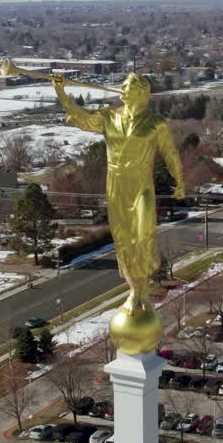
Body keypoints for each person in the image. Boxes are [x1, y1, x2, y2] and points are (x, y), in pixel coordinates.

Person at [52, 72, 184, 354]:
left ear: (141, 92)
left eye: (127, 87)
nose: (121, 90)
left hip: (141, 186)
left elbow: (170, 153)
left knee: (143, 232)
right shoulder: (108, 117)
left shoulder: (155, 122)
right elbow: (81, 116)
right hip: (116, 187)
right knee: (124, 239)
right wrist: (61, 93)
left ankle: (141, 286)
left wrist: (180, 180)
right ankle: (136, 289)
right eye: (122, 86)